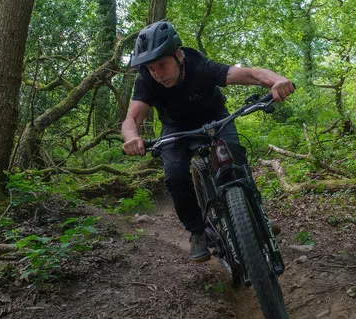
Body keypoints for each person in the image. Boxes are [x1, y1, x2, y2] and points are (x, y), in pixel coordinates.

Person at [121, 21, 295, 262]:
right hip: (176, 129)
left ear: (178, 55)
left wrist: (277, 80)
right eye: (151, 69)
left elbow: (251, 73)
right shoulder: (147, 80)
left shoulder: (200, 67)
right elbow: (132, 118)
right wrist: (132, 137)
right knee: (175, 175)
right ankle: (197, 232)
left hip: (215, 119)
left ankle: (256, 214)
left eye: (162, 65)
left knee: (235, 155)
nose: (158, 74)